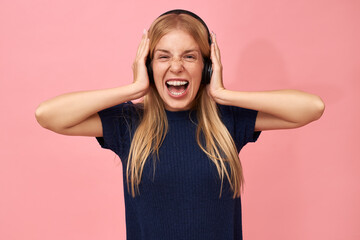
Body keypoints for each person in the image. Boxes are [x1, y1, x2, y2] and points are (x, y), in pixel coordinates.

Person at [35, 9, 325, 240]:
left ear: (207, 68)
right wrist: (134, 88)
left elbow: (312, 108)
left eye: (190, 56)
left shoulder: (227, 120)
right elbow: (47, 114)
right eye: (163, 57)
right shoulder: (129, 123)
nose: (176, 67)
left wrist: (223, 93)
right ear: (149, 67)